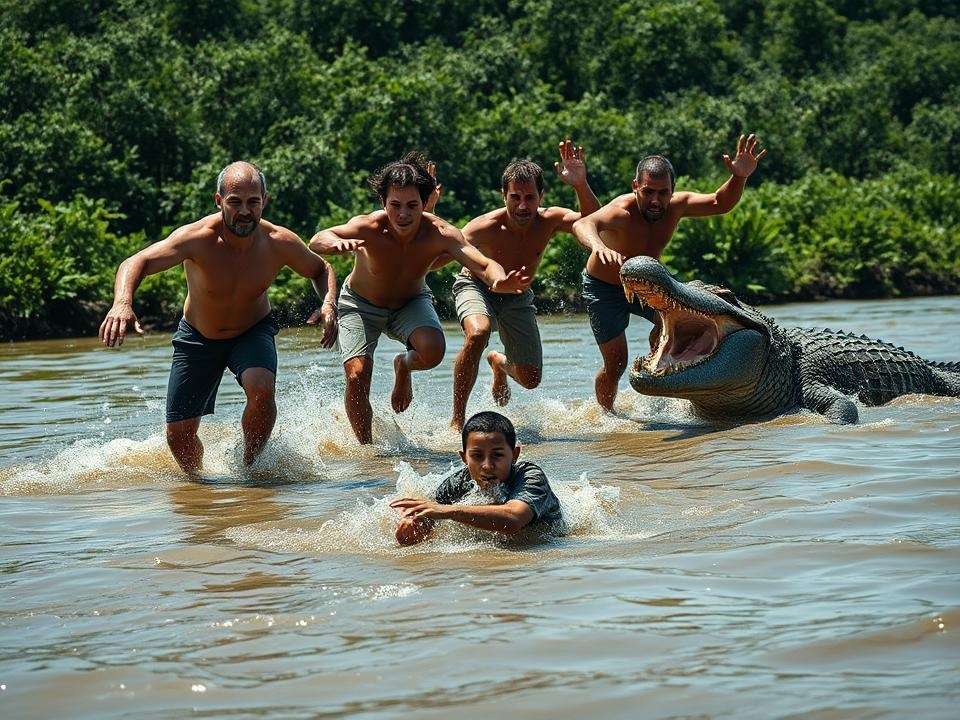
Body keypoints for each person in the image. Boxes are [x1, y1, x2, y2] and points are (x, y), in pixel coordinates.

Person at [99, 161, 338, 473]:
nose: (244, 211)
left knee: (262, 388)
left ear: (264, 201)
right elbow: (137, 261)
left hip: (252, 331)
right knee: (179, 438)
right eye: (235, 202)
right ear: (218, 201)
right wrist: (122, 303)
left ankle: (250, 469)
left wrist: (329, 302)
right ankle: (201, 490)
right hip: (198, 337)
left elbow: (320, 268)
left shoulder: (280, 242)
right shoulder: (197, 238)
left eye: (253, 202)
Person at [309, 152, 529, 444]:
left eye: (412, 205)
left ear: (425, 204)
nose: (403, 214)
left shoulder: (440, 233)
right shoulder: (369, 227)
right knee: (357, 374)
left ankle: (404, 366)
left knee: (433, 350)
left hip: (410, 303)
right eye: (395, 205)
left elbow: (483, 263)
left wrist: (499, 280)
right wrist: (335, 242)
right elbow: (317, 239)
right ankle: (367, 447)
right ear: (383, 203)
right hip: (360, 304)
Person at [571, 133, 767, 410]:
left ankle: (664, 371)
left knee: (688, 325)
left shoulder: (677, 206)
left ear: (672, 190)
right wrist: (598, 247)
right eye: (648, 191)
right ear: (635, 186)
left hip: (650, 285)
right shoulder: (621, 211)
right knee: (615, 364)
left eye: (663, 193)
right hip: (604, 288)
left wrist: (740, 177)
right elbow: (583, 225)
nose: (655, 200)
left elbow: (720, 203)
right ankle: (606, 416)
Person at [436, 140, 601, 430]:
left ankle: (499, 363)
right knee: (478, 333)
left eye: (530, 197)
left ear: (541, 196)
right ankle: (456, 419)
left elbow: (593, 221)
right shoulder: (483, 226)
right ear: (504, 196)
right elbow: (442, 253)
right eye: (515, 197)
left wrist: (580, 184)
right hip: (476, 285)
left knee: (530, 379)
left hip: (516, 295)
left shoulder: (550, 220)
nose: (523, 206)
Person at [390, 411, 563, 545]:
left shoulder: (529, 476)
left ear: (515, 454)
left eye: (497, 455)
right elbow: (432, 513)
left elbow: (514, 519)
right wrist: (413, 527)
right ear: (464, 458)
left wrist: (449, 511)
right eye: (477, 456)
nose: (487, 465)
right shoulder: (458, 483)